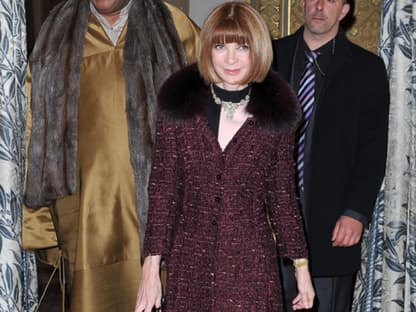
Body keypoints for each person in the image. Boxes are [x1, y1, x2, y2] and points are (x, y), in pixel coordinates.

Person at [135, 2, 315, 312]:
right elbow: (164, 189)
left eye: (242, 47)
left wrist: (302, 269)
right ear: (208, 50)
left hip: (252, 269)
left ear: (257, 50)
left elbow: (283, 196)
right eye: (220, 46)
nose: (230, 58)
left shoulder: (276, 119)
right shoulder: (178, 110)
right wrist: (150, 270)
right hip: (190, 265)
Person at [22, 0, 199, 311]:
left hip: (159, 219)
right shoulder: (57, 33)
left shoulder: (175, 28)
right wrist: (38, 221)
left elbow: (213, 114)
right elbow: (32, 127)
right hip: (86, 218)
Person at [272, 0, 389, 311]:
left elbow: (373, 149)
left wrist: (356, 212)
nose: (320, 5)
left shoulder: (368, 69)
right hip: (267, 230)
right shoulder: (267, 58)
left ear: (345, 10)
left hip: (330, 231)